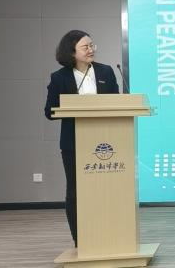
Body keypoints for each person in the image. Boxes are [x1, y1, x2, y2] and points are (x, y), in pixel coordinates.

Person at [44, 30, 120, 245]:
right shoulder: (59, 77)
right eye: (85, 47)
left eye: (92, 45)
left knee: (106, 190)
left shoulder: (106, 71)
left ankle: (109, 234)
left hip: (106, 143)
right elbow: (49, 111)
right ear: (71, 52)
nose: (91, 50)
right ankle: (81, 240)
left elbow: (116, 103)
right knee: (75, 191)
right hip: (74, 144)